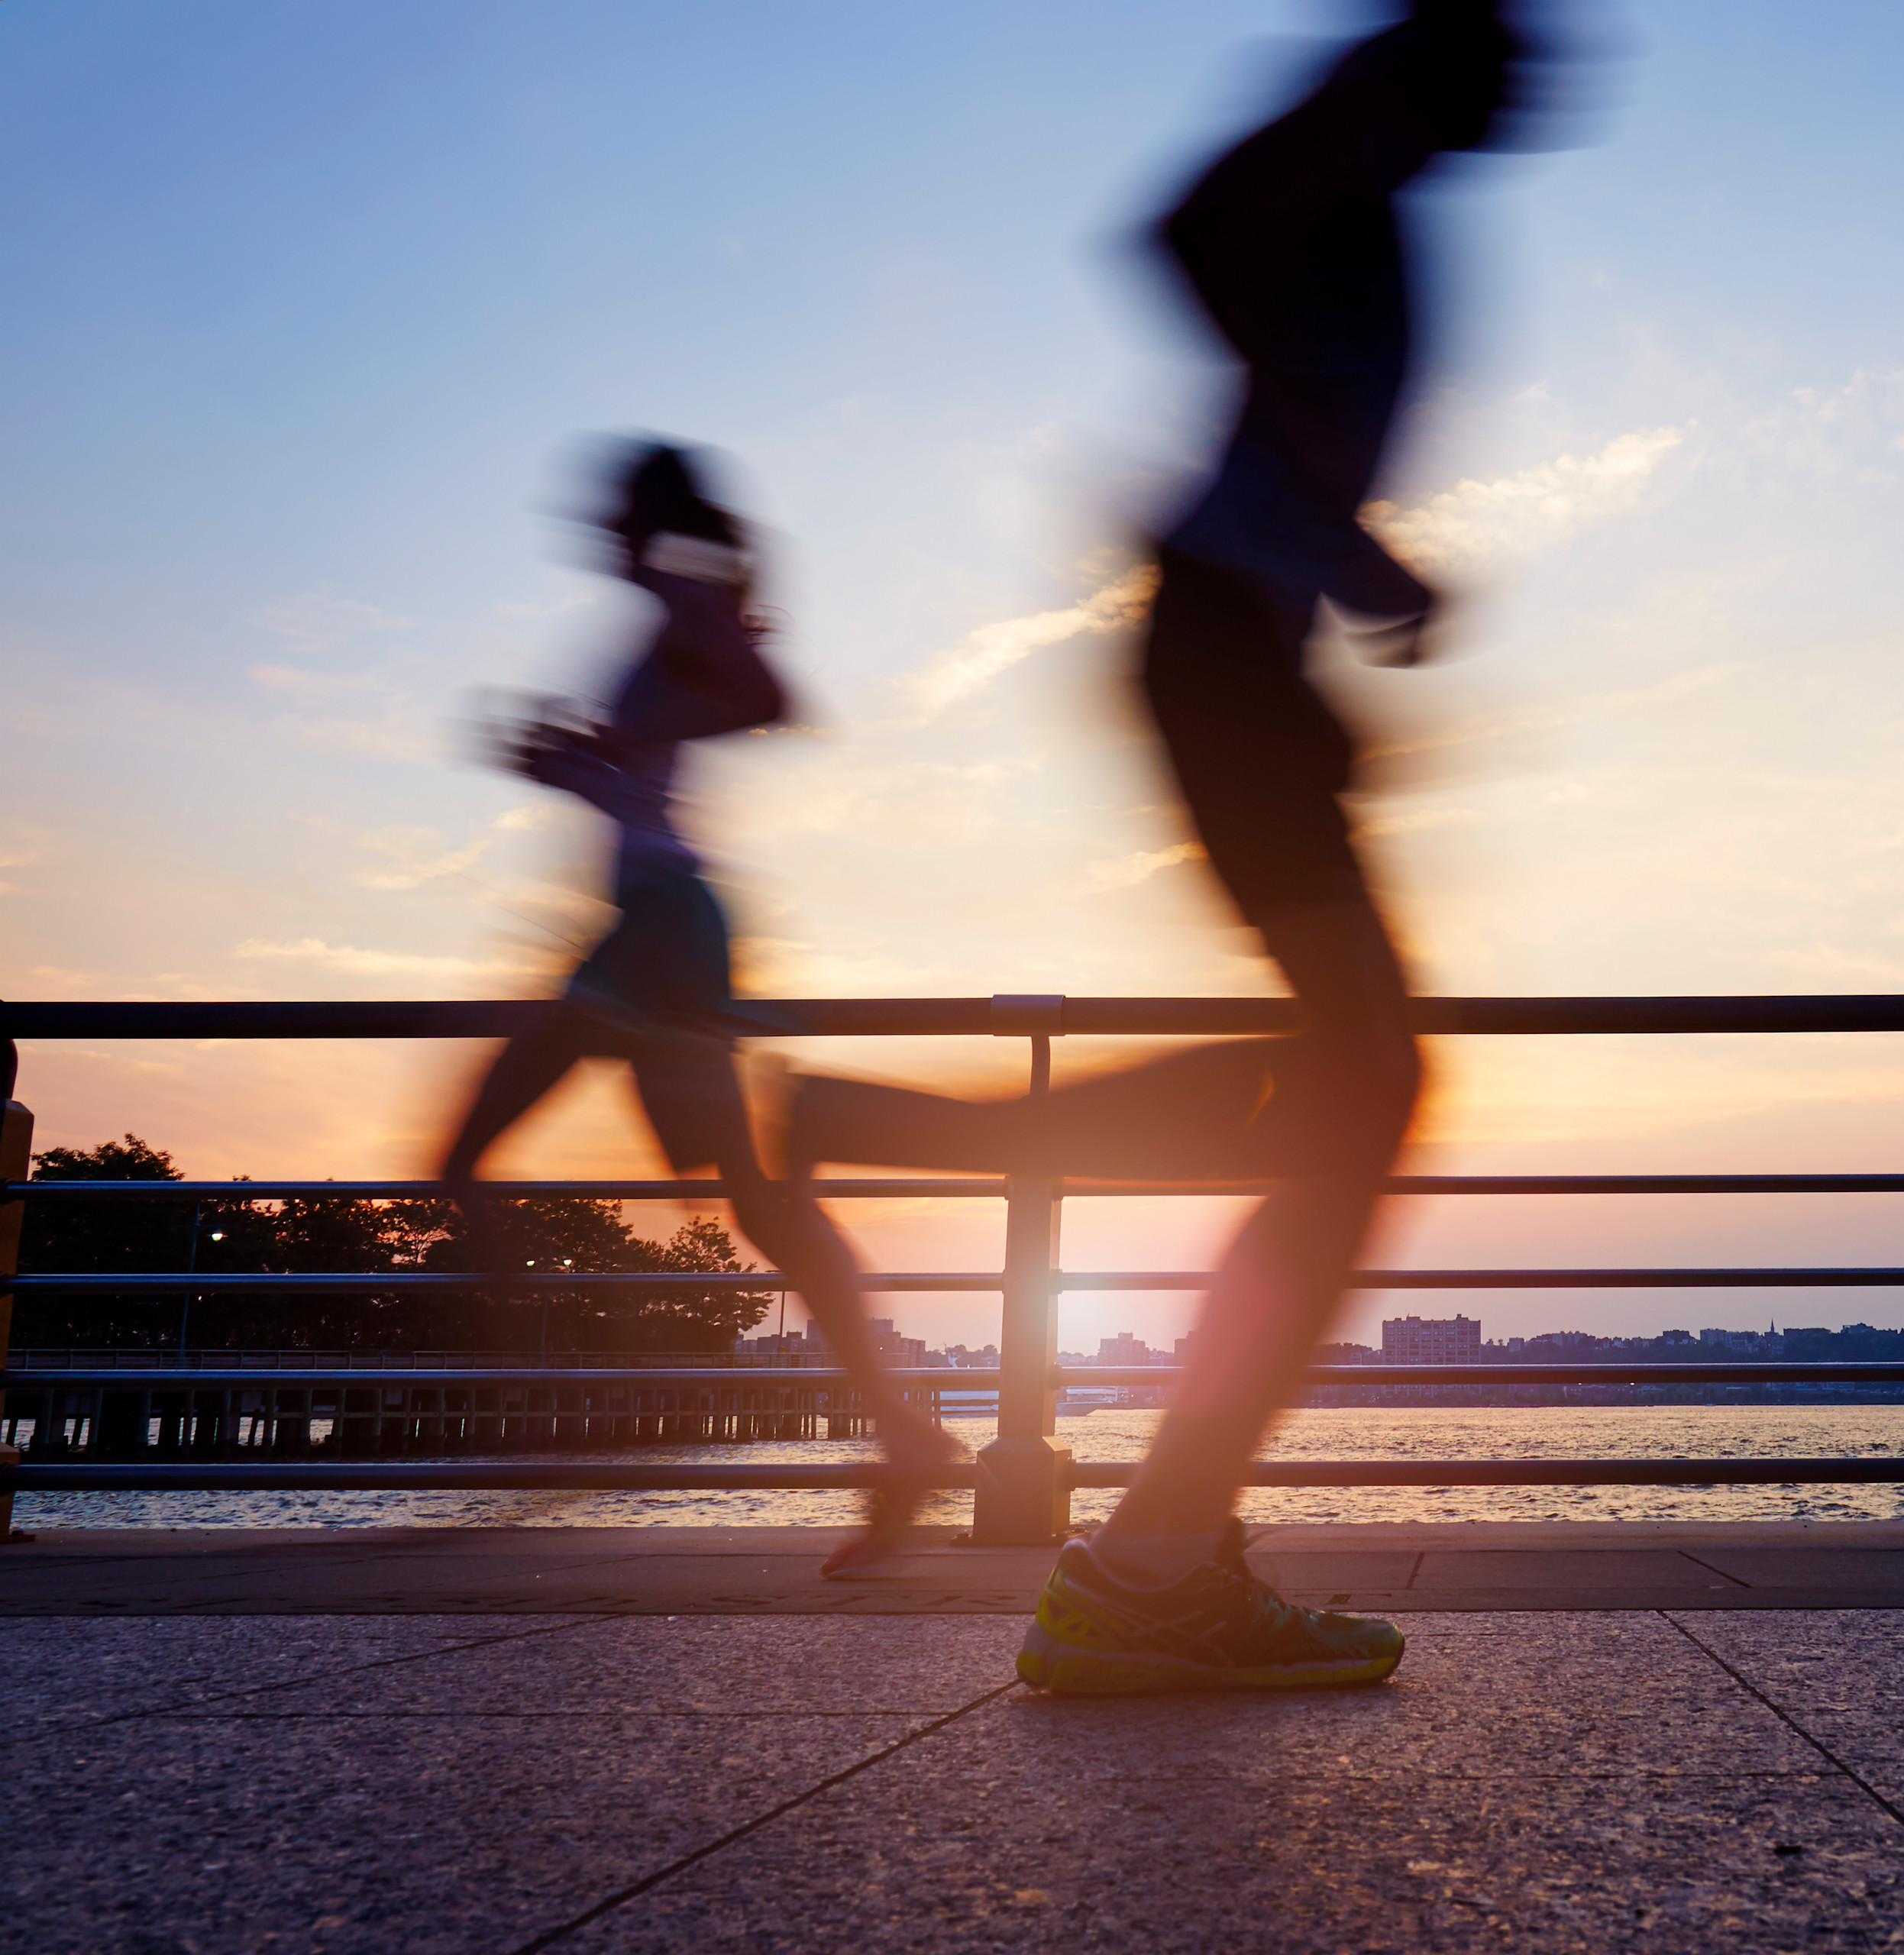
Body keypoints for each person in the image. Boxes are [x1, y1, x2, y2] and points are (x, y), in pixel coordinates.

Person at [782, 0, 1537, 1692]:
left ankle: (1156, 1536)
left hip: (1243, 654)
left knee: (1346, 1074)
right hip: (1218, 648)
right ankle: (1154, 1559)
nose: (1553, 71)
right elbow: (1184, 230)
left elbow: (1247, 337)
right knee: (1373, 1077)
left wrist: (1347, 566)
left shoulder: (1381, 186)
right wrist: (1340, 543)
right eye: (1522, 40)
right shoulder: (1355, 139)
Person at [438, 440, 955, 1579]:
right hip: (649, 926)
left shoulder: (679, 593)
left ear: (644, 518)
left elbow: (769, 699)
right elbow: (652, 767)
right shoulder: (666, 607)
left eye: (610, 510)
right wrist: (578, 764)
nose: (593, 528)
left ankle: (543, 1370)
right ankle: (904, 1433)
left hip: (662, 927)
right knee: (753, 1199)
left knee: (477, 1161)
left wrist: (610, 747)